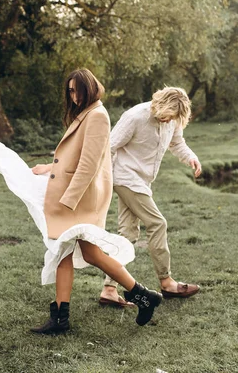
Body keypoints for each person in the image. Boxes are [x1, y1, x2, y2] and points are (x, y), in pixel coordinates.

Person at [29, 68, 162, 334]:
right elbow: (72, 158)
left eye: (76, 89)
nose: (73, 95)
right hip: (75, 195)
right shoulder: (86, 114)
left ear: (89, 88)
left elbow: (89, 165)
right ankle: (141, 296)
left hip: (81, 198)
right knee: (79, 252)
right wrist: (48, 167)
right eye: (69, 90)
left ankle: (139, 296)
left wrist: (68, 200)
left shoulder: (98, 116)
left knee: (76, 251)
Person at [98, 87, 202, 308]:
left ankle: (109, 289)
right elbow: (109, 147)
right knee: (157, 223)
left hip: (142, 181)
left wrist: (191, 157)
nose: (167, 121)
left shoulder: (172, 120)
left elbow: (177, 143)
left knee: (127, 233)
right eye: (166, 116)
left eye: (173, 119)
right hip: (125, 177)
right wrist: (105, 180)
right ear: (160, 104)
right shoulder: (136, 116)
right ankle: (166, 281)